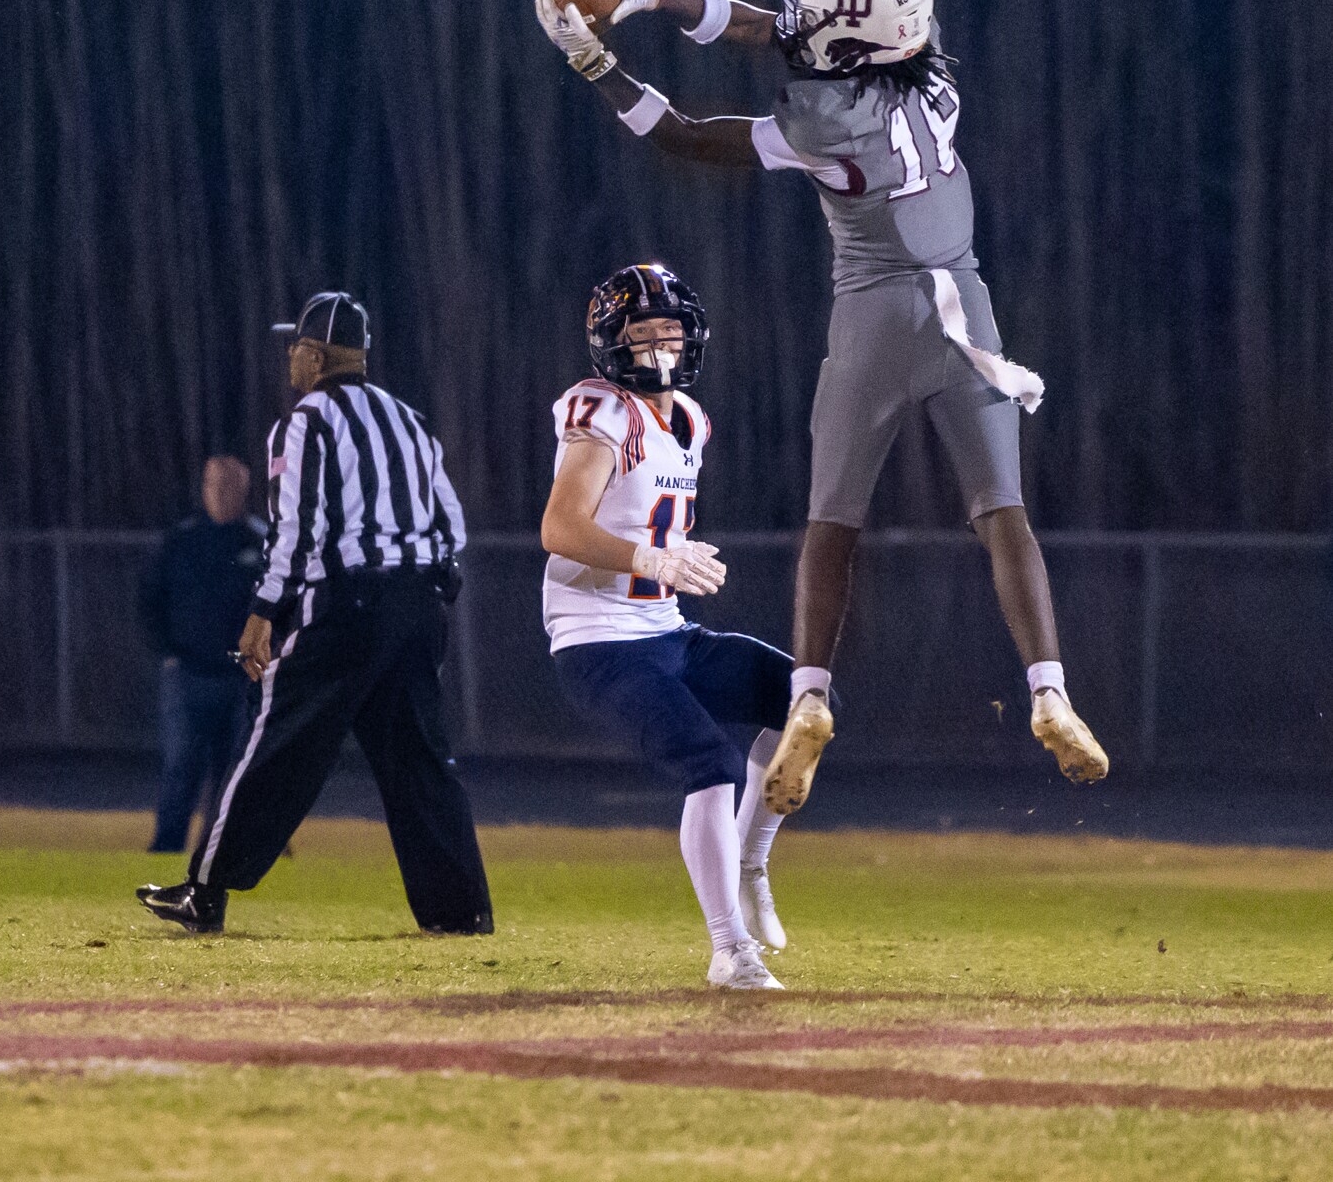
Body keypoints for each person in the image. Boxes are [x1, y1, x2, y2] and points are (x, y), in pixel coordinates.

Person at [534, 0, 1108, 813]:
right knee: (1003, 513)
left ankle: (808, 693)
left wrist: (599, 64)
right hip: (964, 310)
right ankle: (1049, 689)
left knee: (831, 523)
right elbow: (797, 31)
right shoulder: (937, 84)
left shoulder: (818, 127)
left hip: (874, 311)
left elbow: (684, 134)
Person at [137, 291, 492, 936]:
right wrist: (430, 591)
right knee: (421, 762)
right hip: (418, 605)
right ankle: (461, 912)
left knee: (275, 744)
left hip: (349, 605)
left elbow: (296, 528)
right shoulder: (410, 420)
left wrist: (264, 610)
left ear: (318, 354)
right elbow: (452, 524)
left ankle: (206, 891)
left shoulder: (309, 420)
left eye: (295, 347)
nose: (289, 359)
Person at [542, 263, 834, 990]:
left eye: (672, 333)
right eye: (644, 336)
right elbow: (559, 528)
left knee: (806, 703)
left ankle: (748, 860)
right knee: (712, 768)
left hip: (666, 632)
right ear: (613, 344)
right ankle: (728, 949)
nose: (663, 350)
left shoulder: (692, 419)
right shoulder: (599, 408)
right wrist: (650, 556)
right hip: (599, 641)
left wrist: (662, 568)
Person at [138, 457, 266, 853]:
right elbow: (149, 598)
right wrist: (167, 650)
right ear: (203, 488)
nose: (221, 492)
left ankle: (220, 854)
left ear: (244, 490)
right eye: (214, 484)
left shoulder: (260, 539)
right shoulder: (182, 539)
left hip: (241, 676)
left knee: (235, 771)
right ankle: (166, 848)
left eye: (229, 485)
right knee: (180, 765)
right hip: (188, 673)